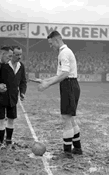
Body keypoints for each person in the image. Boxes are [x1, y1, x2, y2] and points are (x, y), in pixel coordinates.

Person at [38, 31, 82, 159]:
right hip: (71, 85)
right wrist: (46, 80)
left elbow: (65, 74)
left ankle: (67, 152)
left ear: (57, 40)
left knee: (66, 119)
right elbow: (60, 75)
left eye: (51, 44)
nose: (50, 46)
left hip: (68, 85)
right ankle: (77, 148)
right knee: (71, 118)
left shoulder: (63, 53)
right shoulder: (65, 52)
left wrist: (47, 85)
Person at [0, 45, 27, 150]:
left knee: (11, 119)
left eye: (20, 54)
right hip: (1, 96)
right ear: (12, 54)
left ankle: (8, 141)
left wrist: (22, 92)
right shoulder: (3, 65)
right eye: (16, 55)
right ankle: (1, 142)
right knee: (1, 120)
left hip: (13, 97)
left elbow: (23, 81)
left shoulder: (21, 66)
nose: (19, 57)